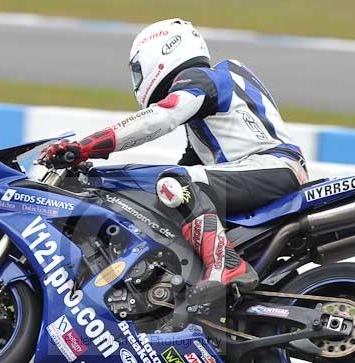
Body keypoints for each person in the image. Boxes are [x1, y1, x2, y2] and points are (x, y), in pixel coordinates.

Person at [39, 18, 308, 304]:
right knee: (172, 185)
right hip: (265, 170)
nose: (137, 81)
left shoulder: (204, 79)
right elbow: (189, 165)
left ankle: (226, 264)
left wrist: (86, 146)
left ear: (163, 51)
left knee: (175, 182)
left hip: (272, 167)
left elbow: (161, 118)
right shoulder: (211, 111)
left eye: (137, 72)